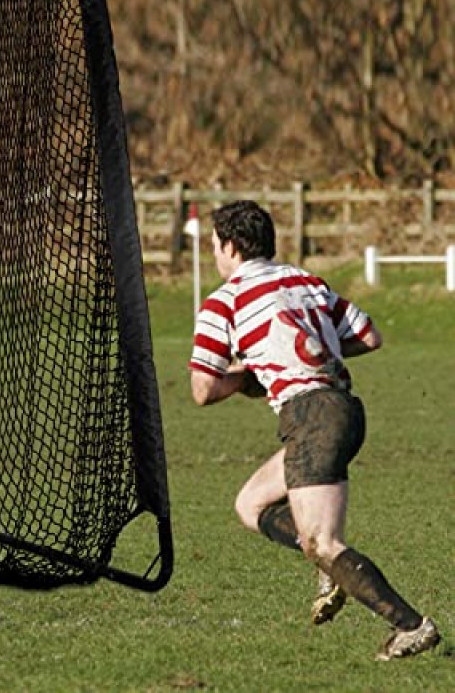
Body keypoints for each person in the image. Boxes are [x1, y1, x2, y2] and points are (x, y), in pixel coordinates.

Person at [189, 199, 441, 661]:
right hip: (341, 410)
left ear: (229, 246)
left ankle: (411, 626)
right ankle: (328, 568)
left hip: (311, 417)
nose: (214, 256)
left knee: (322, 542)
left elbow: (203, 388)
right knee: (250, 503)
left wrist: (248, 374)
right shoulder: (306, 281)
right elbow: (369, 336)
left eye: (214, 246)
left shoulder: (224, 300)